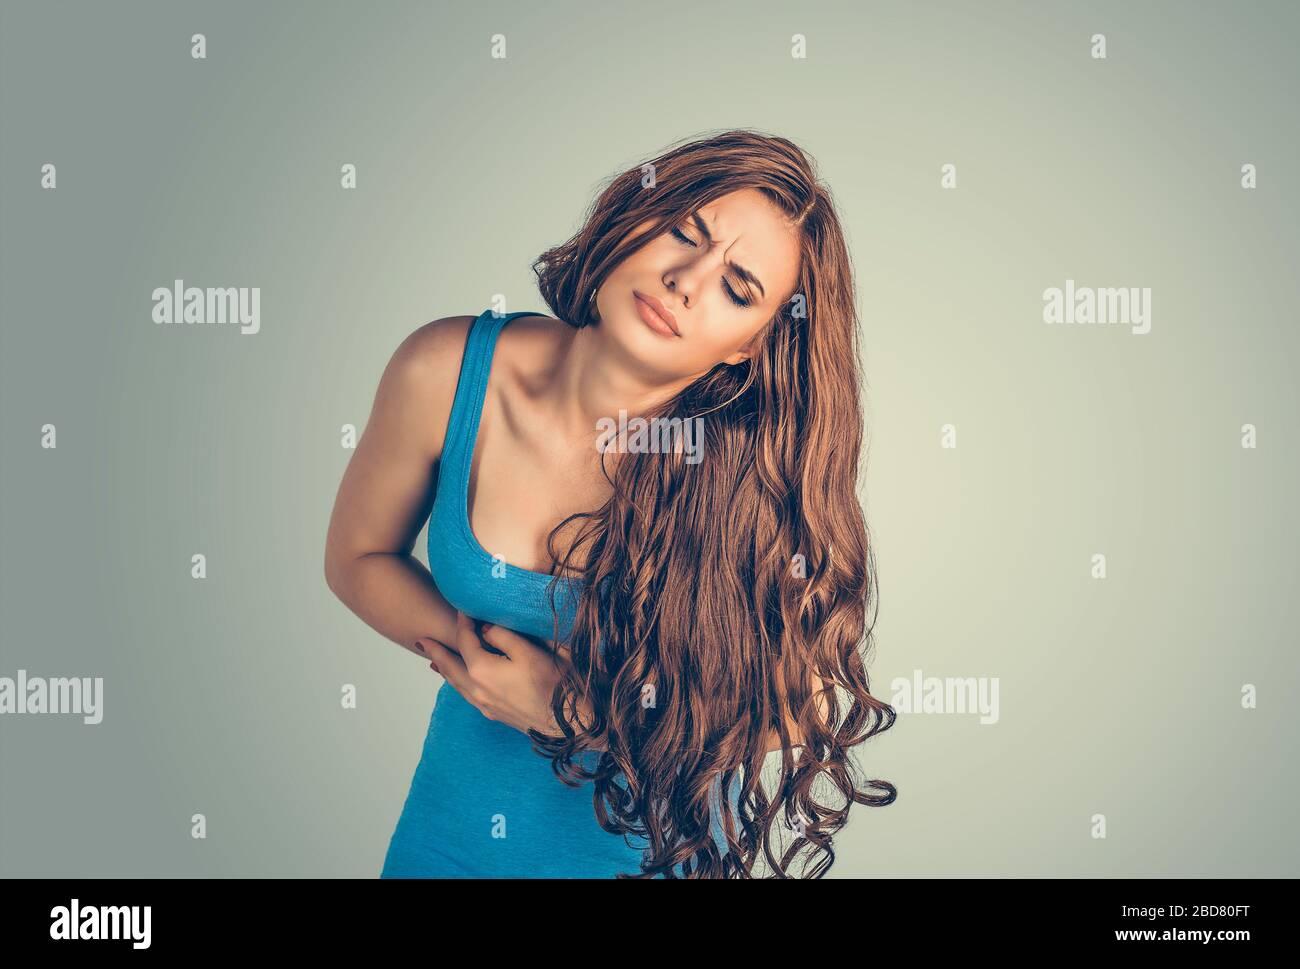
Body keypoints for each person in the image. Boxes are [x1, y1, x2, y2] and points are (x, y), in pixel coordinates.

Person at [324, 129, 897, 878]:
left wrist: (584, 716)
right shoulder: (446, 370)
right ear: (636, 216)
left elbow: (812, 707)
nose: (686, 280)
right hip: (447, 846)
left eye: (737, 287)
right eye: (684, 233)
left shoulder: (753, 481)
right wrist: (473, 653)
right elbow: (358, 556)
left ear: (748, 346)